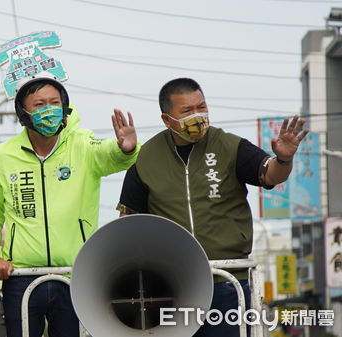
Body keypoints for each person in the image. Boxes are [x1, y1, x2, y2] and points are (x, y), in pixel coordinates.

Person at [118, 78, 308, 337]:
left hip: (229, 281)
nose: (197, 116)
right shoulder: (147, 158)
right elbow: (128, 224)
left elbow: (270, 174)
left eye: (201, 107)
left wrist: (284, 158)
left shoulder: (229, 145)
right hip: (171, 288)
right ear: (167, 119)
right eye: (186, 111)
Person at [0, 75, 139, 337]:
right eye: (39, 104)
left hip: (75, 273)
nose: (48, 110)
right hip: (21, 276)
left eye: (54, 103)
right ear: (23, 112)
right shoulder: (2, 156)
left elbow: (113, 156)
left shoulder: (83, 145)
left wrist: (126, 149)